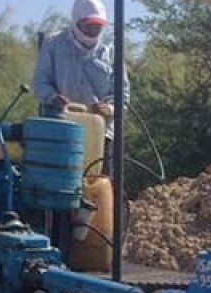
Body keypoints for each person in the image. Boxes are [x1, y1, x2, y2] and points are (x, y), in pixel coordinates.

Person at [33, 0, 129, 174]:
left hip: (100, 132)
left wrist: (110, 108)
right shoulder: (53, 44)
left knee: (99, 183)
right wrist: (53, 97)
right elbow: (40, 83)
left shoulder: (112, 51)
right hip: (61, 129)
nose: (93, 30)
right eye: (89, 26)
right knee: (61, 178)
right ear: (77, 21)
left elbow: (123, 93)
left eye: (97, 26)